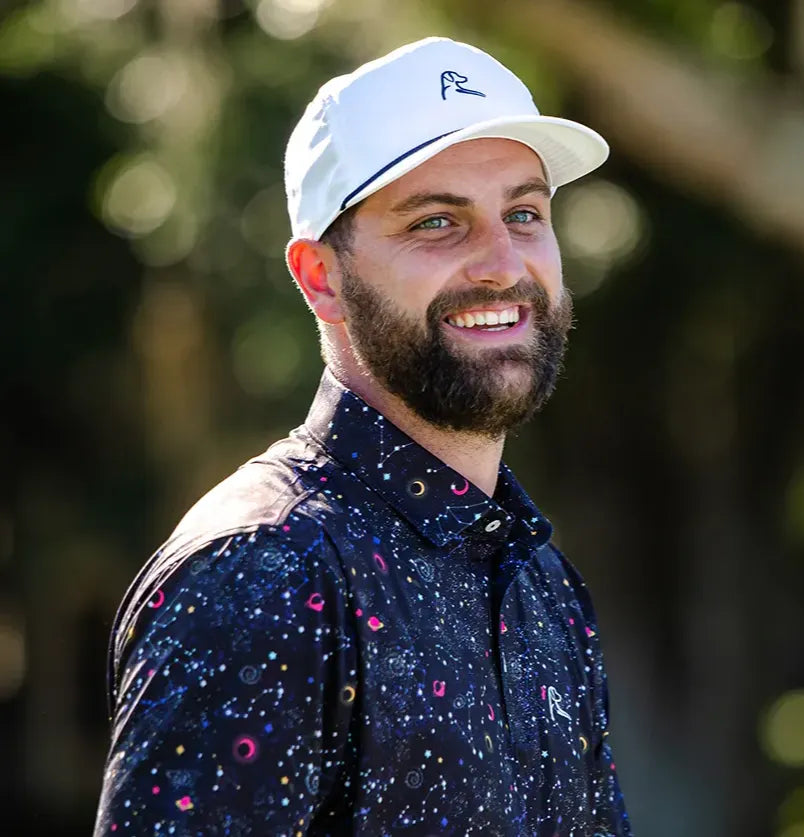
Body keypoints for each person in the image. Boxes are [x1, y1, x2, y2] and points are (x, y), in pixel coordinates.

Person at [94, 36, 632, 836]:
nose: (501, 263)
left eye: (523, 213)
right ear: (321, 278)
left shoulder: (540, 581)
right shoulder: (260, 575)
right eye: (437, 222)